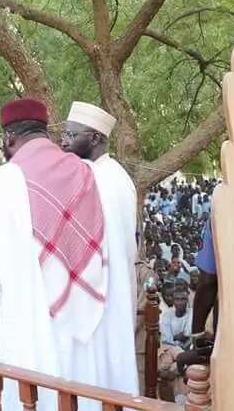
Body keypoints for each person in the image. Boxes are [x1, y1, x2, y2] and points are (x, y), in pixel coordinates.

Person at [0, 98, 107, 411]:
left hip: (25, 322)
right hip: (77, 315)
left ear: (8, 139)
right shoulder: (86, 172)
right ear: (45, 131)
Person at [60, 101, 140, 399]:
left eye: (71, 134)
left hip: (100, 285)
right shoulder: (116, 175)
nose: (63, 141)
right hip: (112, 284)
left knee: (96, 370)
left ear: (94, 138)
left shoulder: (94, 177)